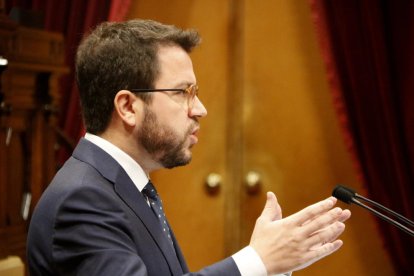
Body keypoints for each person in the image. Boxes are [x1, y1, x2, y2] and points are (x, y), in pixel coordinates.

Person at [27, 19, 351, 276]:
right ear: (127, 106)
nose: (200, 109)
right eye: (183, 93)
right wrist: (257, 260)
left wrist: (273, 265)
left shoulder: (128, 186)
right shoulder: (82, 199)